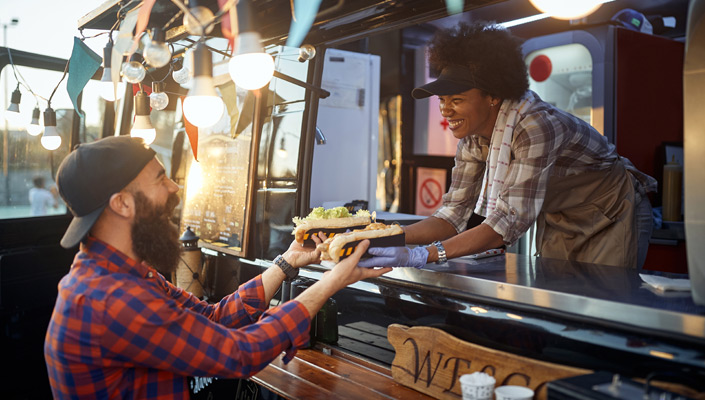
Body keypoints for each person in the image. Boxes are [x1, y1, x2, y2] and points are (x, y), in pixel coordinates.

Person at [44, 136, 392, 399]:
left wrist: (287, 263)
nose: (174, 187)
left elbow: (212, 319)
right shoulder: (113, 298)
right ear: (122, 203)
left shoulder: (122, 273)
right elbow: (238, 354)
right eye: (160, 178)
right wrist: (332, 281)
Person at [359, 22, 656, 270]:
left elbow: (505, 224)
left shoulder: (535, 126)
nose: (446, 111)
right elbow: (453, 214)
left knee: (603, 309)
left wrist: (424, 254)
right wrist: (388, 237)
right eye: (443, 101)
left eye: (457, 100)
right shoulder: (472, 139)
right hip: (560, 217)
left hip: (612, 212)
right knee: (559, 303)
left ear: (493, 96)